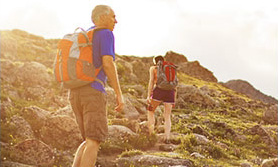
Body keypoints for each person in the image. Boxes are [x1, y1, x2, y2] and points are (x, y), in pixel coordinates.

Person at [70, 5, 124, 167]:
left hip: (75, 92)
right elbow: (108, 64)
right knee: (94, 141)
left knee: (88, 140)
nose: (116, 21)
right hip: (93, 92)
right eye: (113, 17)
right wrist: (118, 93)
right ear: (102, 18)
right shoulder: (106, 34)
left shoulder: (86, 35)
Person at [147, 56, 176, 143]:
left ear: (155, 62)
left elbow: (151, 81)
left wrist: (149, 95)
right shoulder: (170, 69)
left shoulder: (153, 68)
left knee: (150, 111)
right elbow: (175, 85)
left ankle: (151, 135)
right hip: (170, 92)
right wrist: (174, 99)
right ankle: (167, 138)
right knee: (167, 116)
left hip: (158, 91)